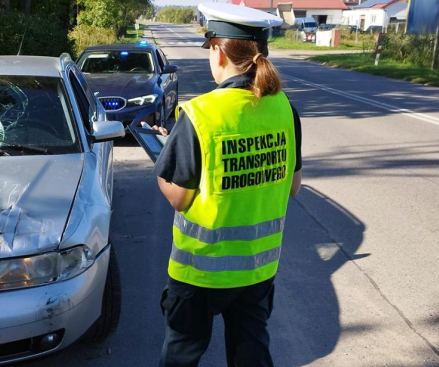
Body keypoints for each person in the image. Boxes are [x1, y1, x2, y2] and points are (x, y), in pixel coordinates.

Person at [151, 3, 302, 366]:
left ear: (218, 52)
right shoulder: (285, 109)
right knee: (252, 354)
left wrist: (162, 163)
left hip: (200, 272)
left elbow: (180, 197)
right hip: (257, 271)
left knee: (182, 355)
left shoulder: (200, 114)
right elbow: (293, 187)